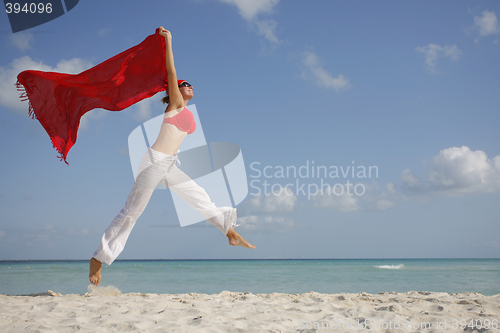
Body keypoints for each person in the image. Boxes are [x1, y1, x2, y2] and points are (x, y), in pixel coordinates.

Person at [89, 27, 255, 286]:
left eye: (190, 84)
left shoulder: (187, 110)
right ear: (175, 91)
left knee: (198, 196)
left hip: (169, 163)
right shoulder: (175, 104)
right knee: (133, 211)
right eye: (184, 84)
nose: (189, 86)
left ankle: (230, 232)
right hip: (155, 161)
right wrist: (168, 41)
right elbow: (172, 72)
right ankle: (99, 258)